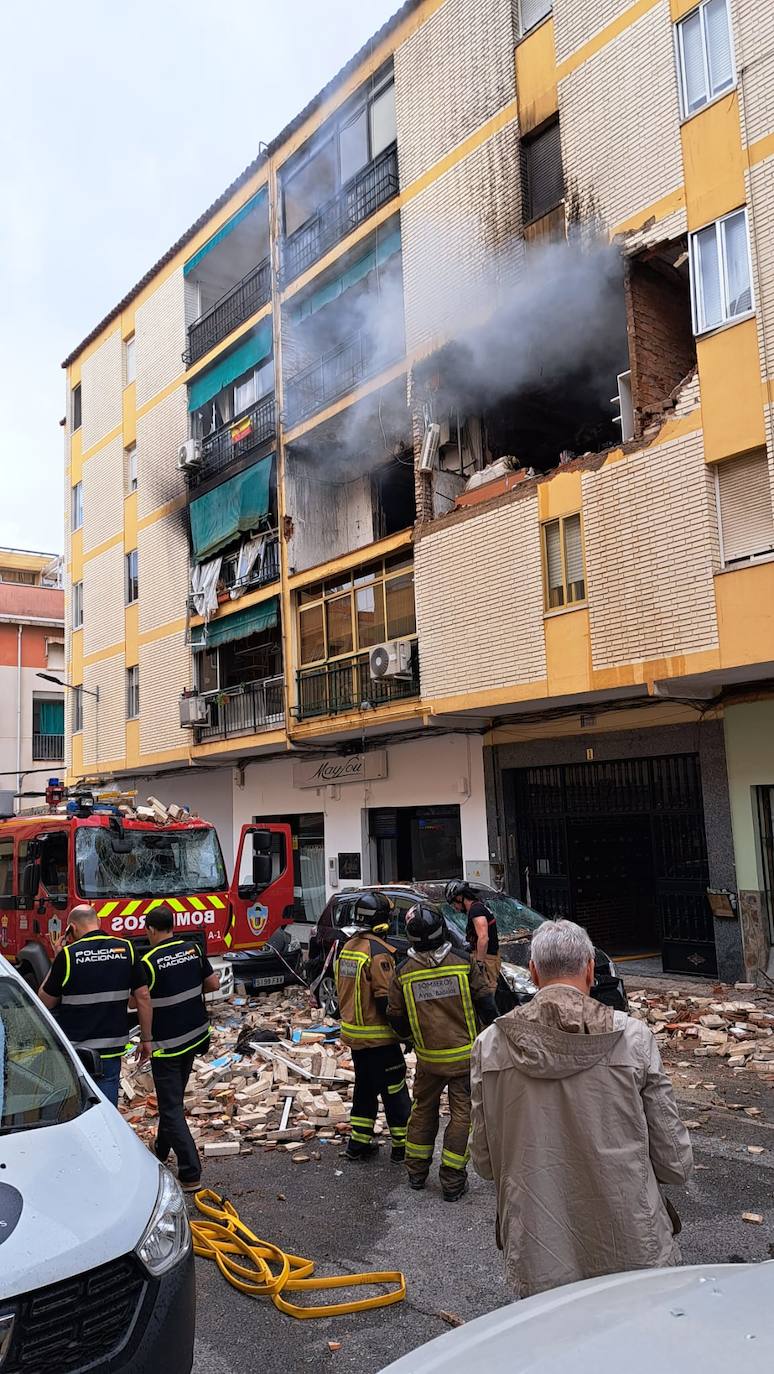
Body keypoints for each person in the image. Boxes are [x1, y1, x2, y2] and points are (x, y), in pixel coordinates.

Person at [470, 918, 694, 1298]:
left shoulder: (490, 1046)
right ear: (591, 969)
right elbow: (675, 1163)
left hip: (538, 1249)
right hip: (633, 1241)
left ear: (534, 972)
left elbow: (484, 1162)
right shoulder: (633, 1038)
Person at [387, 903, 497, 1201]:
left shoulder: (403, 972)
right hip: (463, 1058)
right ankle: (451, 1180)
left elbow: (396, 1019)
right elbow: (487, 1005)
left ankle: (416, 1173)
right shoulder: (462, 962)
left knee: (422, 1110)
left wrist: (410, 1038)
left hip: (428, 1059)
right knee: (462, 1116)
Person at [138, 905, 220, 1191]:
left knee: (171, 1107)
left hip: (167, 1044)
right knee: (172, 1101)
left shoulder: (147, 961)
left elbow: (140, 1001)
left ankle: (190, 1172)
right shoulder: (192, 949)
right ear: (173, 925)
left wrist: (145, 1039)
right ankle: (160, 1149)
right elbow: (212, 983)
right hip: (196, 1036)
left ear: (150, 929)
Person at [39, 903, 153, 1106]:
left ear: (71, 929)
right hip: (111, 1048)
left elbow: (45, 1001)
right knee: (107, 1110)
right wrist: (146, 1039)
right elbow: (143, 996)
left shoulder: (68, 955)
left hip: (77, 1051)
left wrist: (57, 958)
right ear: (98, 922)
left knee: (80, 1107)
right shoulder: (126, 948)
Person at [334, 891, 411, 1162]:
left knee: (365, 1088)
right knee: (395, 1090)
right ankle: (403, 1147)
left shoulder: (348, 947)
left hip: (355, 1036)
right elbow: (385, 1000)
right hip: (380, 1038)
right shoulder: (378, 952)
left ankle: (359, 1143)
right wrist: (404, 1032)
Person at [445, 880, 501, 992]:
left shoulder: (476, 910)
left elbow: (483, 938)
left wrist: (479, 963)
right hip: (488, 957)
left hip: (487, 960)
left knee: (485, 992)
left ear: (460, 897)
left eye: (453, 903)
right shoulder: (479, 907)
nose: (455, 907)